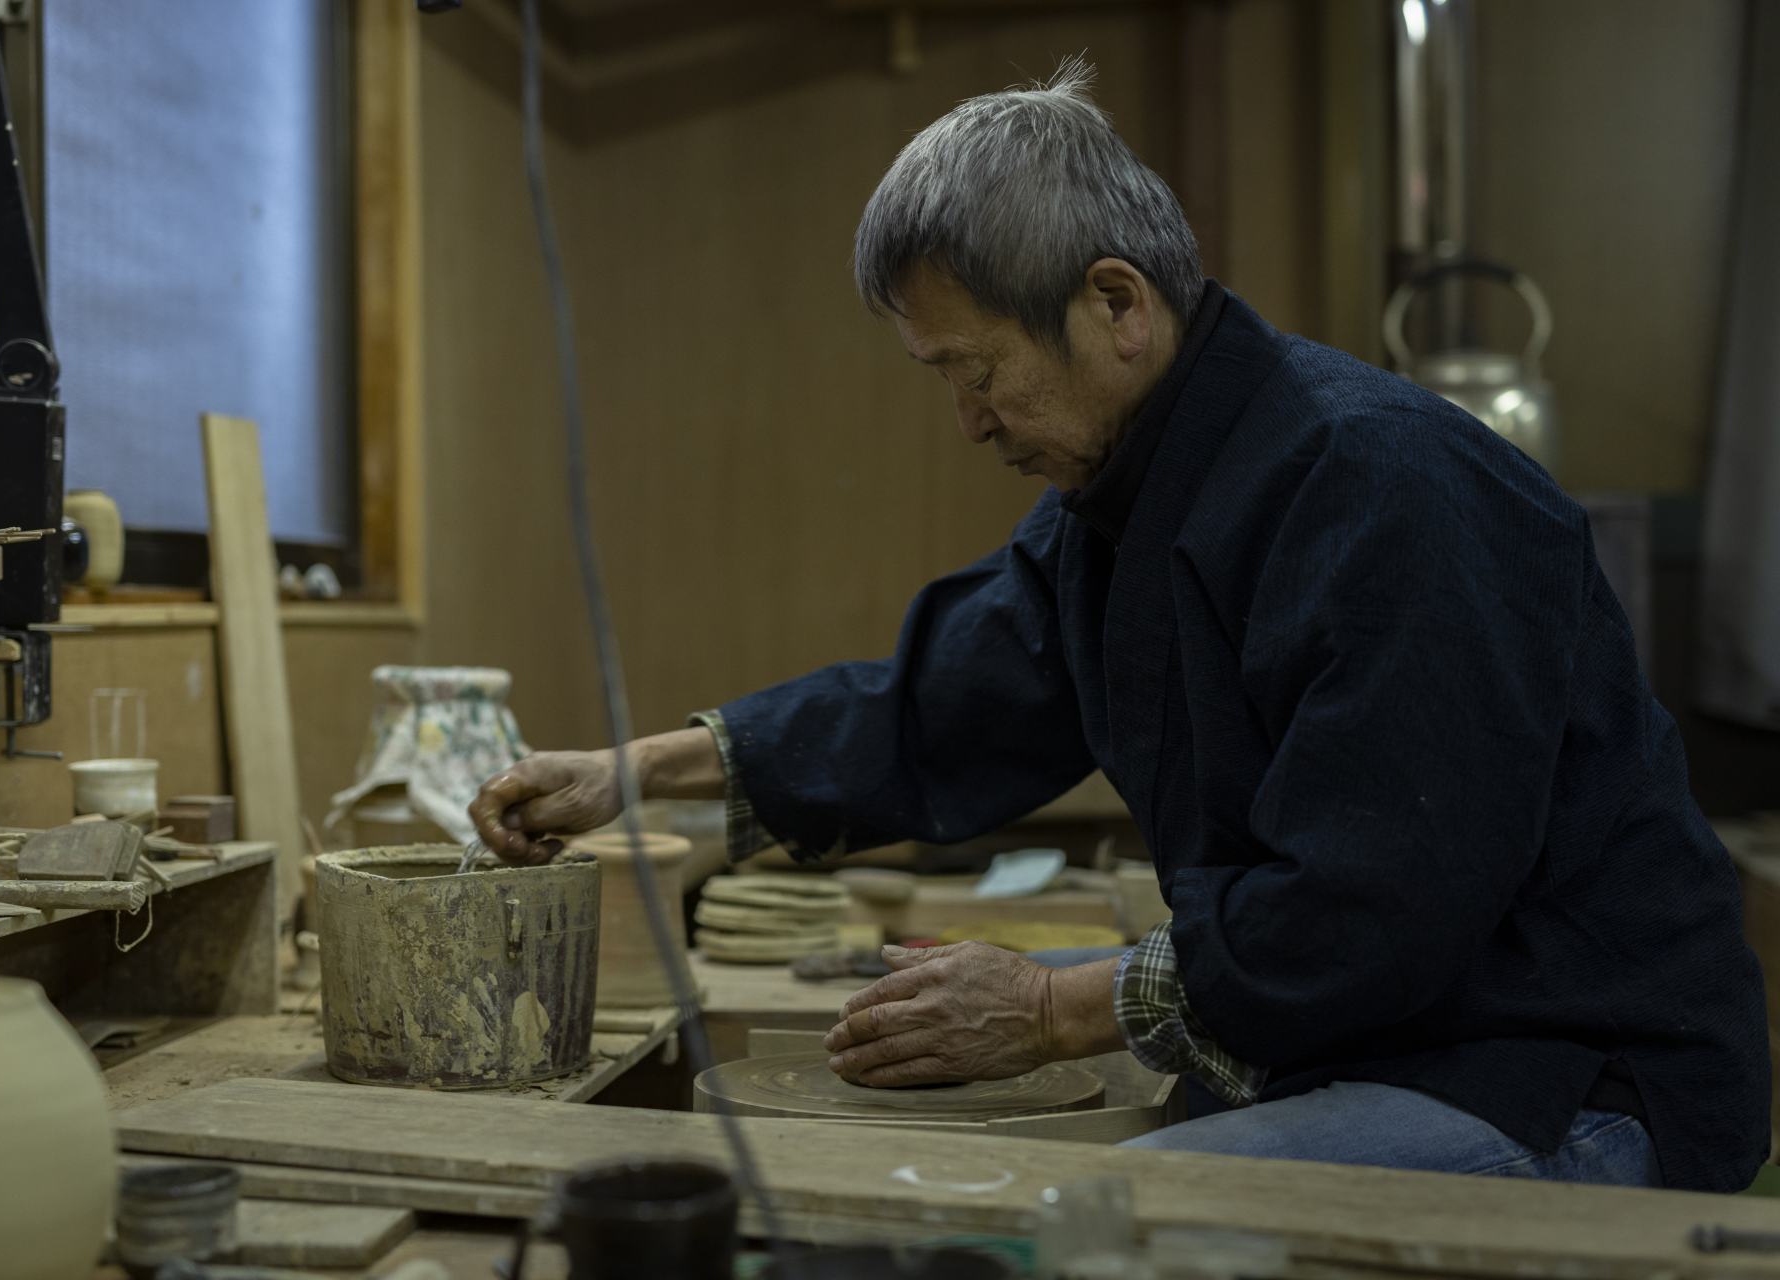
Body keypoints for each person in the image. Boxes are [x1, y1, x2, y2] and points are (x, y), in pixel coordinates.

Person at [468, 61, 1767, 1192]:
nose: (971, 422)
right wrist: (630, 775)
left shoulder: (1394, 491)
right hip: (1367, 1039)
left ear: (1115, 303)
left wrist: (1051, 1009)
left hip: (1552, 1072)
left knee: (1095, 1234)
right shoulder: (1128, 497)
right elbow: (938, 701)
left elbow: (1376, 907)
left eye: (978, 372)